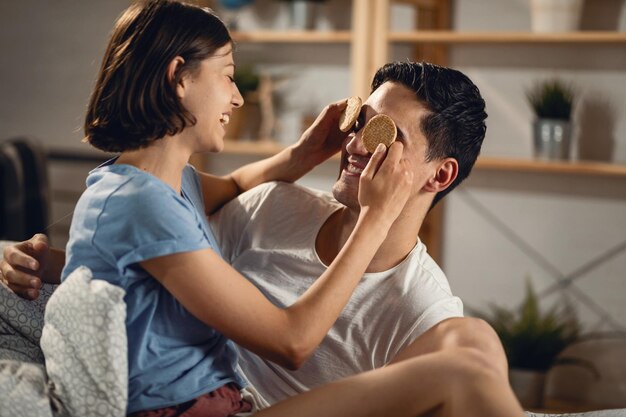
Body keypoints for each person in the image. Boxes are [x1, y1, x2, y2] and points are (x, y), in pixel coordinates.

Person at [1, 2, 525, 416]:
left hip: (241, 403)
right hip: (216, 401)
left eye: (387, 136)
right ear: (180, 77)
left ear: (439, 175)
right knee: (466, 366)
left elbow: (174, 223)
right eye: (362, 121)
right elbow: (167, 251)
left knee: (473, 344)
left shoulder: (422, 305)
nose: (359, 143)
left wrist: (307, 164)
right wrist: (56, 262)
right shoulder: (258, 206)